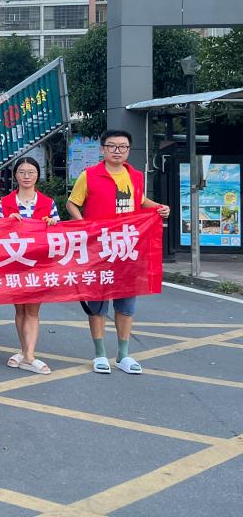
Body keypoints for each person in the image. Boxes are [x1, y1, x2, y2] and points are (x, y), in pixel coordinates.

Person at [67, 130, 170, 375]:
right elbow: (72, 203)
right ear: (102, 149)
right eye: (112, 146)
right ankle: (100, 354)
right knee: (97, 303)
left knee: (126, 303)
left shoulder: (135, 176)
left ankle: (123, 354)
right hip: (99, 250)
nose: (117, 151)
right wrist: (84, 226)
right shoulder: (89, 175)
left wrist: (159, 207)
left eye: (122, 146)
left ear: (128, 150)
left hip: (127, 250)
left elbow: (140, 200)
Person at [0, 156, 59, 376]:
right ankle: (24, 352)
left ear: (38, 175)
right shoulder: (5, 203)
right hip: (14, 264)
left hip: (38, 265)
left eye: (31, 172)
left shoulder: (48, 203)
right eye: (22, 172)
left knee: (32, 309)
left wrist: (53, 223)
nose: (27, 176)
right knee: (20, 309)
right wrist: (5, 222)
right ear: (15, 176)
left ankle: (29, 355)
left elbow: (59, 234)